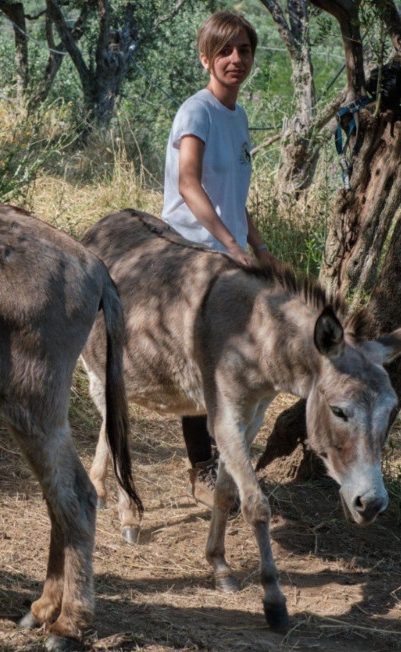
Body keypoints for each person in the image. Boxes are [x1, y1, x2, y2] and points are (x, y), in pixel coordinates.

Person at [161, 11, 278, 507]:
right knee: (201, 359)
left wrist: (258, 245)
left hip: (228, 253)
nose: (236, 59)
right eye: (224, 51)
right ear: (205, 58)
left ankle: (227, 458)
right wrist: (230, 246)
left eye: (244, 50)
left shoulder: (238, 116)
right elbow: (189, 184)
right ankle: (201, 468)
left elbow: (234, 196)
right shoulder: (198, 112)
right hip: (190, 250)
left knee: (235, 357)